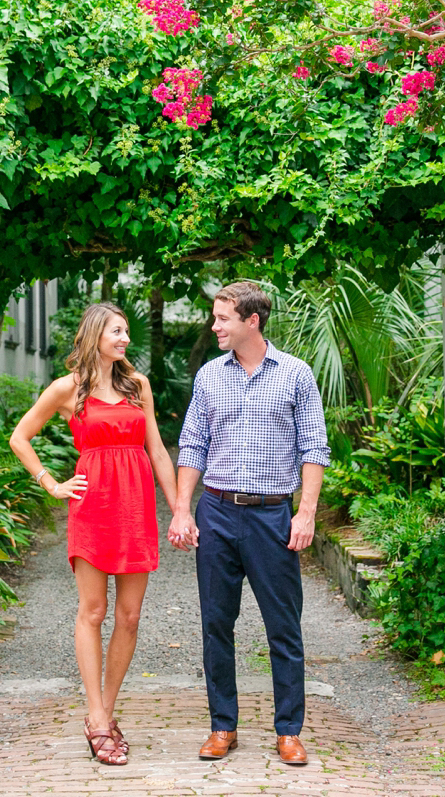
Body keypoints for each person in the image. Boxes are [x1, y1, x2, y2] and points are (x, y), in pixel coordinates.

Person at [9, 302, 179, 766]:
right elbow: (20, 436)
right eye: (117, 332)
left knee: (128, 615)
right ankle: (97, 717)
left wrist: (180, 508)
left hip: (136, 506)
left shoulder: (137, 385)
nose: (125, 339)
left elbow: (159, 453)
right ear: (95, 335)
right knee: (94, 610)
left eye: (126, 332)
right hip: (92, 505)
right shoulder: (68, 389)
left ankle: (106, 708)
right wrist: (52, 483)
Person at [168, 281, 328, 768]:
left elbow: (314, 448)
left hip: (272, 515)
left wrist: (306, 513)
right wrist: (181, 508)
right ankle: (223, 727)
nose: (214, 326)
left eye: (222, 318)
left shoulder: (296, 375)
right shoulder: (209, 377)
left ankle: (289, 731)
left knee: (283, 626)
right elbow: (192, 445)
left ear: (251, 321)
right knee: (216, 623)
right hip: (216, 512)